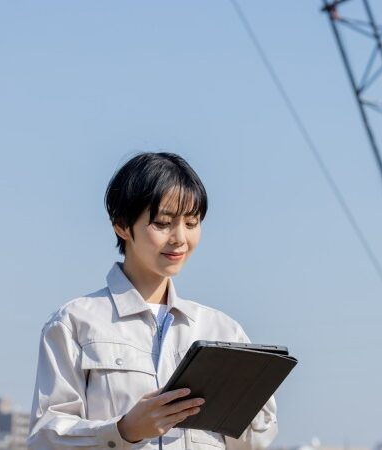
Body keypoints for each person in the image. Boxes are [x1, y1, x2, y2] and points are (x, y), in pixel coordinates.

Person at [27, 152, 278, 450]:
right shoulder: (75, 324)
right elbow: (45, 439)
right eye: (163, 223)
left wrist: (243, 407)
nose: (180, 238)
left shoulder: (223, 330)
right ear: (122, 225)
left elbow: (256, 440)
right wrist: (124, 430)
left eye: (191, 222)